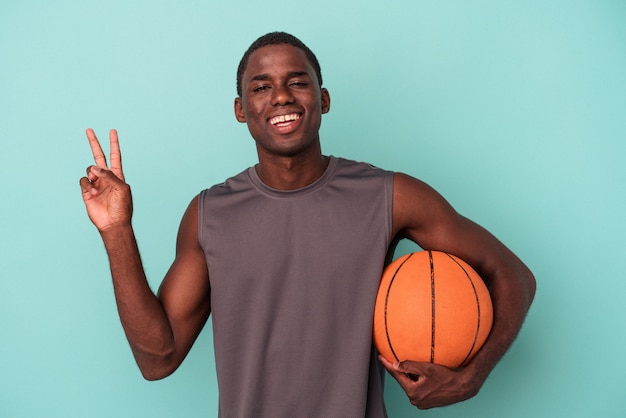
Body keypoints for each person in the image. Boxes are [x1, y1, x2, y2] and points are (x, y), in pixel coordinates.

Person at [80, 32, 535, 417]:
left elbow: (512, 275)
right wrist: (117, 231)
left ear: (323, 99)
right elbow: (157, 359)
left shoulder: (390, 196)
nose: (281, 96)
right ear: (241, 109)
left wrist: (471, 378)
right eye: (261, 87)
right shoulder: (209, 214)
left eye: (297, 82)